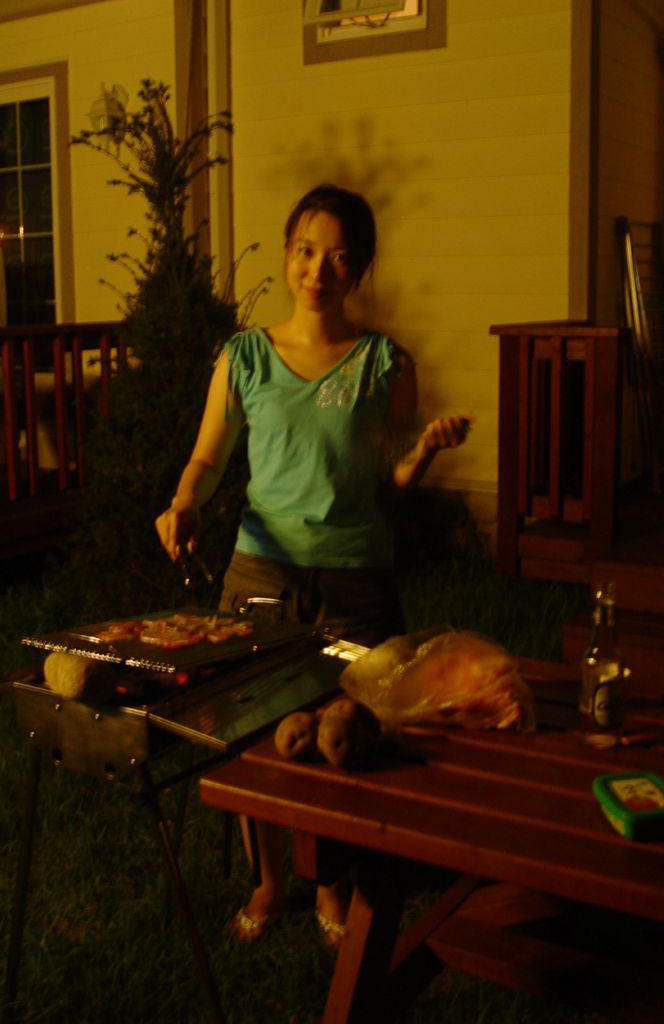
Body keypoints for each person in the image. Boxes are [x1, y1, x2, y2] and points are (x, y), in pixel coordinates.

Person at [155, 184, 471, 946]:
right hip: (261, 575)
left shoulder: (385, 364)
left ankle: (333, 885)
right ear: (287, 252)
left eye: (337, 257)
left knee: (348, 733)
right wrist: (185, 500)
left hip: (356, 577)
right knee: (252, 736)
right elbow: (208, 457)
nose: (317, 271)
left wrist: (424, 451)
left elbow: (390, 474)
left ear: (359, 269)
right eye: (305, 251)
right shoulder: (244, 357)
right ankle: (268, 883)